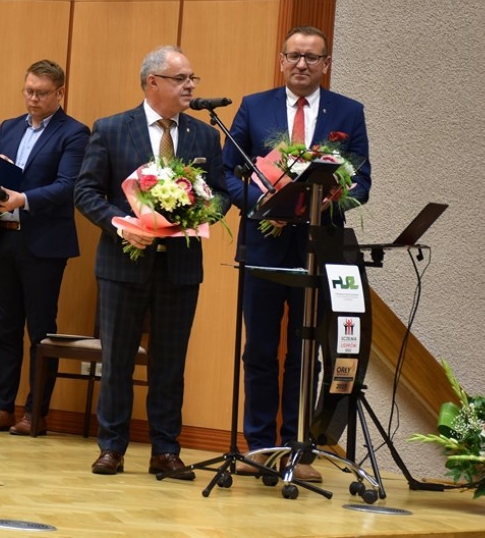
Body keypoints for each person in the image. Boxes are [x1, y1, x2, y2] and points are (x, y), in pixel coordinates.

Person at [223, 25, 371, 483]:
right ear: (282, 60)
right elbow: (227, 173)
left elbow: (362, 181)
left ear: (326, 64)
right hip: (265, 243)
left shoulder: (348, 111)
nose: (302, 64)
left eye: (312, 57)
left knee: (306, 350)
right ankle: (259, 446)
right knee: (260, 348)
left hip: (318, 248)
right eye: (294, 56)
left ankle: (297, 448)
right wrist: (264, 202)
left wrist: (327, 202)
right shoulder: (254, 106)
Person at [74, 45, 229, 476]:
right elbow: (86, 192)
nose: (190, 86)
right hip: (123, 263)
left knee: (170, 364)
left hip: (180, 267)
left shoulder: (204, 135)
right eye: (181, 79)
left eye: (192, 79)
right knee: (118, 360)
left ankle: (165, 449)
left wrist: (197, 214)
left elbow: (221, 193)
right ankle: (112, 447)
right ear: (153, 82)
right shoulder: (110, 129)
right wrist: (122, 226)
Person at [0, 60, 90, 436]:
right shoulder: (8, 127)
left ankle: (35, 413)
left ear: (60, 93)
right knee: (5, 329)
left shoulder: (74, 133)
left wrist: (23, 199)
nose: (33, 98)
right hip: (2, 238)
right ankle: (2, 408)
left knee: (40, 331)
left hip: (43, 244)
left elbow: (68, 186)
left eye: (41, 93)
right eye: (28, 91)